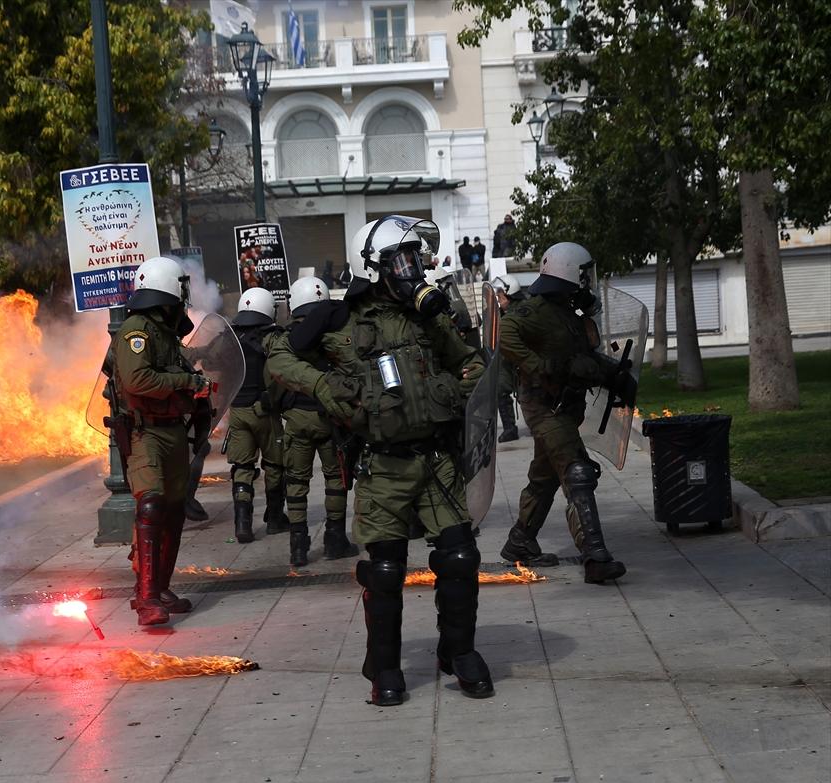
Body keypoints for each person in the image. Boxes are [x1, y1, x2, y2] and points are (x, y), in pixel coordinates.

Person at [269, 215, 495, 705]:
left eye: (416, 257)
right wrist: (326, 386)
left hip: (436, 461)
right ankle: (386, 666)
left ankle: (457, 651)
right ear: (372, 267)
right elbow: (278, 356)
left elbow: (471, 360)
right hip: (382, 465)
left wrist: (456, 392)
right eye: (402, 259)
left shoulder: (429, 317)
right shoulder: (337, 320)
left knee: (460, 556)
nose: (414, 269)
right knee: (387, 570)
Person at [498, 242, 629, 583]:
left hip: (567, 407)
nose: (588, 282)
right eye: (584, 275)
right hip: (545, 406)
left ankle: (520, 542)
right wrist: (538, 366)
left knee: (544, 477)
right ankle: (595, 556)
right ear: (569, 273)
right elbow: (506, 334)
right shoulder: (535, 310)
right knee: (577, 472)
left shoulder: (570, 315)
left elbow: (582, 357)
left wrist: (614, 374)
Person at [110, 255, 210, 626]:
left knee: (172, 510)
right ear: (168, 288)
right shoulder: (137, 331)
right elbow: (137, 381)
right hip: (145, 431)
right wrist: (185, 383)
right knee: (151, 506)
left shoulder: (167, 333)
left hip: (171, 430)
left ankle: (162, 587)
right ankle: (147, 597)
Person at [267, 276, 358, 567]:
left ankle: (298, 545)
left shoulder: (286, 340)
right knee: (336, 479)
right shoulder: (336, 335)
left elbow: (274, 380)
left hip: (296, 420)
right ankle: (335, 539)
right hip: (331, 419)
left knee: (296, 482)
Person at [225, 287, 288, 544]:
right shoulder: (271, 338)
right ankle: (274, 518)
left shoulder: (228, 337)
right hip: (265, 411)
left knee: (242, 467)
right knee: (274, 464)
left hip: (237, 411)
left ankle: (243, 524)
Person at [490, 274, 527, 443]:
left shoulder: (522, 311)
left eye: (500, 296)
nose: (498, 299)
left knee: (531, 392)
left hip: (525, 359)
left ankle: (540, 422)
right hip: (507, 360)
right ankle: (510, 428)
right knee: (500, 389)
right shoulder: (502, 312)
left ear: (509, 294)